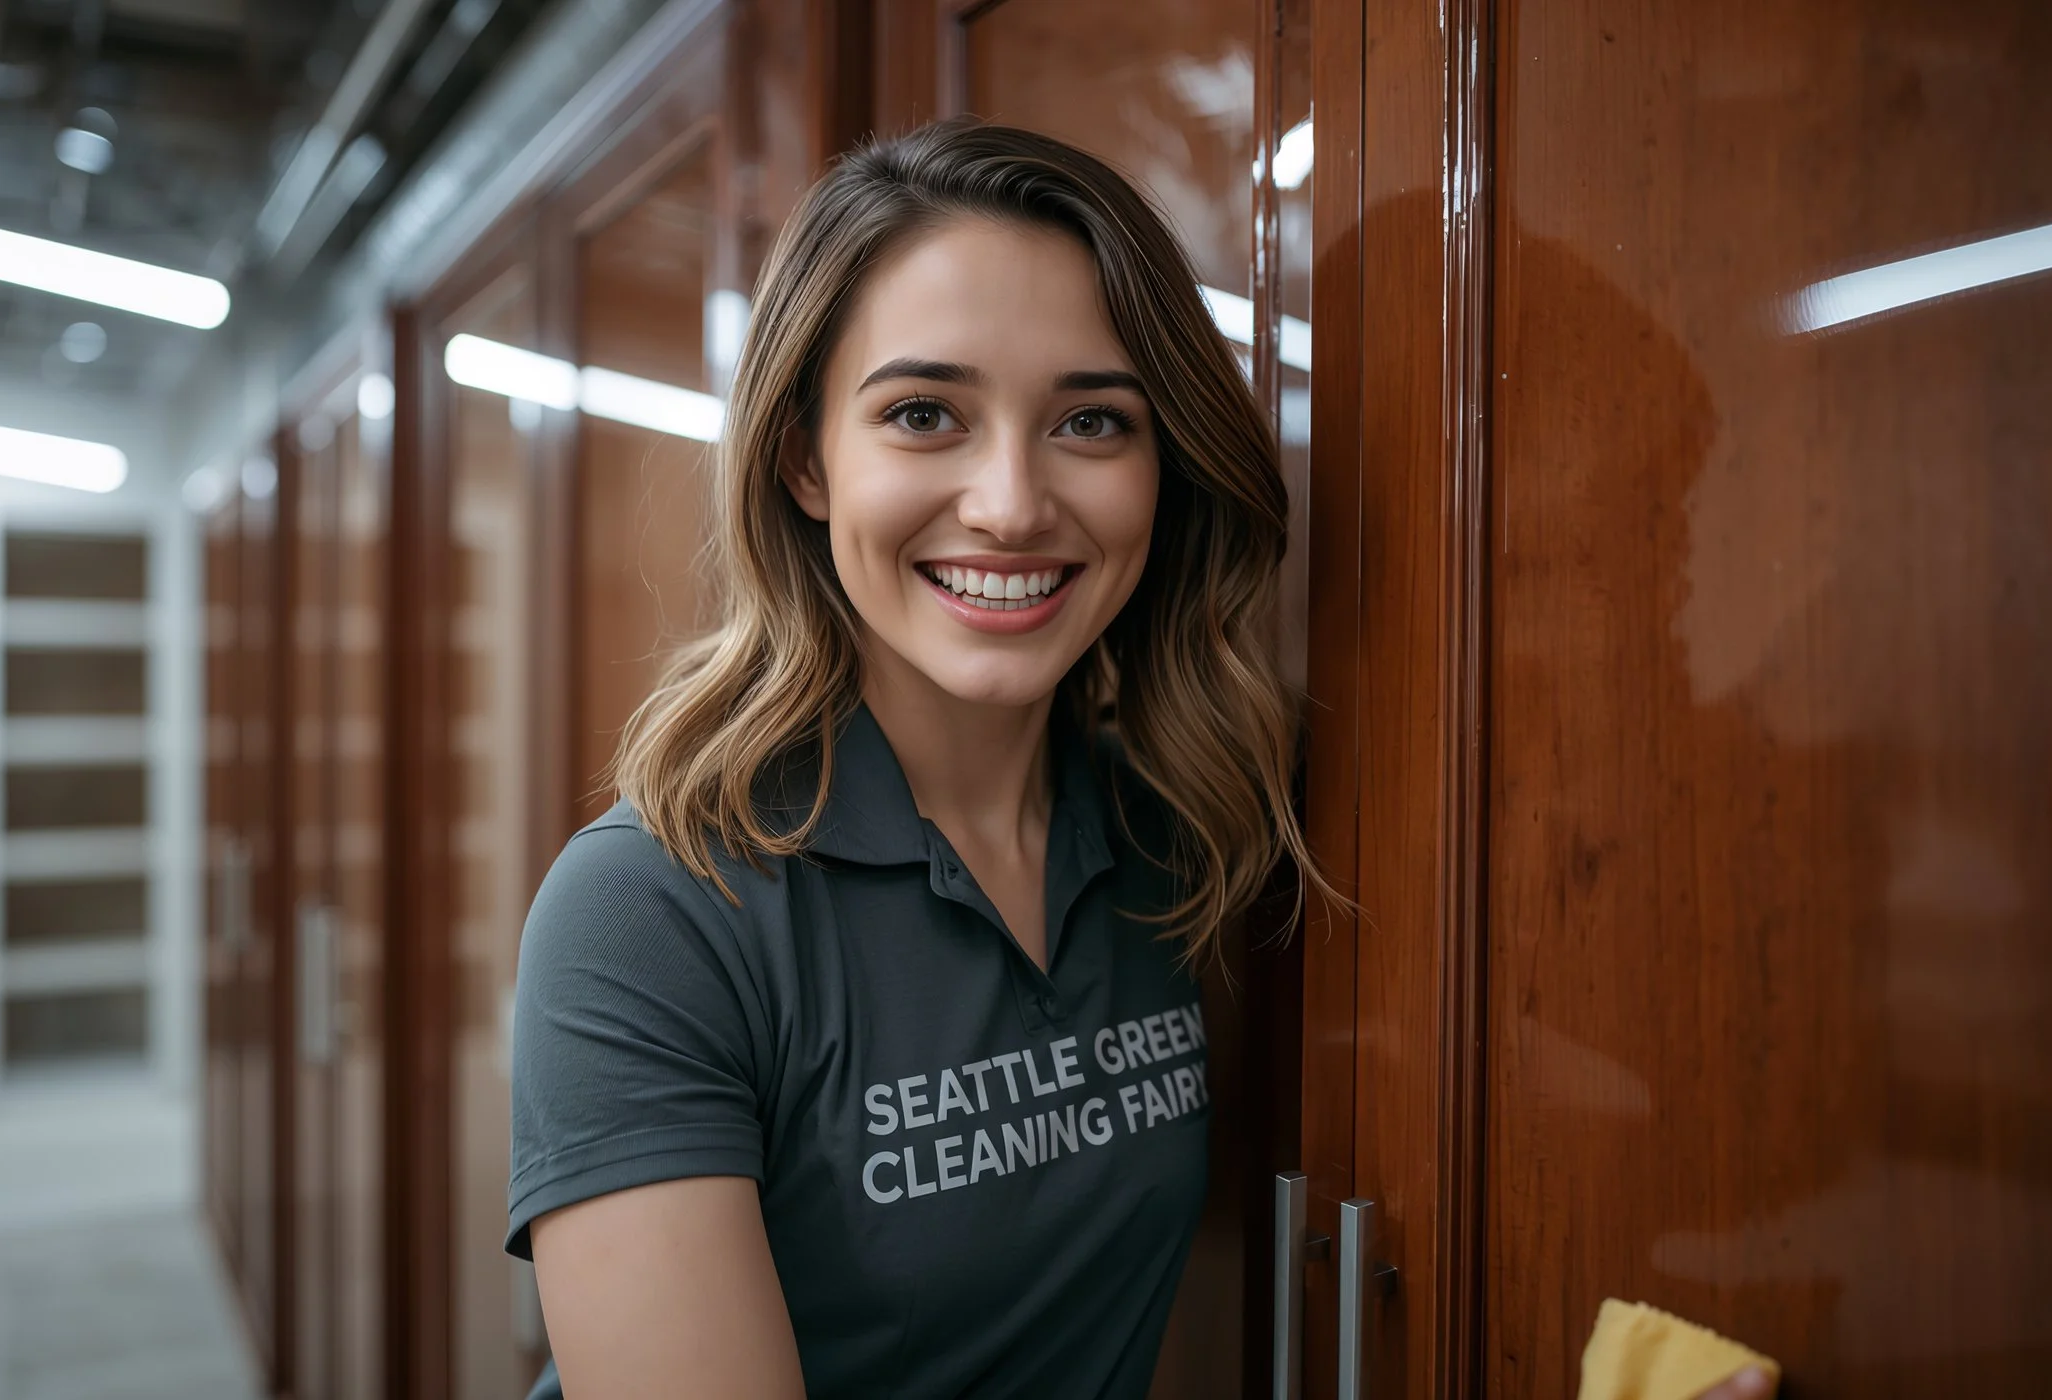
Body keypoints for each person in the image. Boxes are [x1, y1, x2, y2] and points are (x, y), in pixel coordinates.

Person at [504, 120, 1779, 1400]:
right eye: (923, 414)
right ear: (803, 460)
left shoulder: (1180, 837)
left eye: (1091, 421)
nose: (1011, 503)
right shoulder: (654, 912)